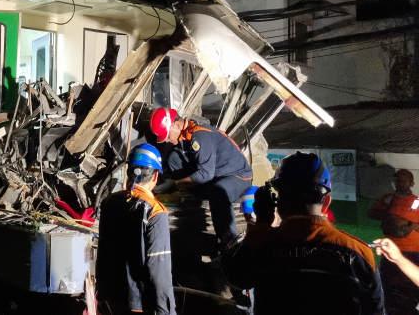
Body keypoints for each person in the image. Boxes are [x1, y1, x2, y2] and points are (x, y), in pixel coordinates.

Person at [222, 152, 385, 315]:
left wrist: (261, 224)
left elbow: (236, 277)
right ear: (327, 201)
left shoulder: (263, 246)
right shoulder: (360, 254)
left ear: (278, 203)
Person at [150, 107, 252, 249]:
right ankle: (190, 198)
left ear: (176, 125)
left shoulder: (200, 136)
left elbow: (205, 174)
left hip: (237, 176)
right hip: (217, 175)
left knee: (218, 192)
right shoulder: (186, 135)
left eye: (167, 135)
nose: (167, 140)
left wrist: (175, 183)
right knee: (174, 158)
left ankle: (230, 241)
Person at [96, 143, 177, 315]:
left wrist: (101, 294)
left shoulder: (109, 203)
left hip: (110, 299)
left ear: (129, 172)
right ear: (155, 175)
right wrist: (167, 311)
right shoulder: (155, 212)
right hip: (138, 304)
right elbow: (159, 271)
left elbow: (102, 252)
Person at [368, 168, 419, 313]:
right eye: (397, 179)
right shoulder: (388, 198)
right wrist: (389, 214)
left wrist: (408, 225)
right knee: (387, 287)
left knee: (411, 289)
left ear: (412, 182)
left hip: (413, 252)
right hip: (389, 251)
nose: (400, 183)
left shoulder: (417, 201)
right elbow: (372, 213)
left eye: (404, 180)